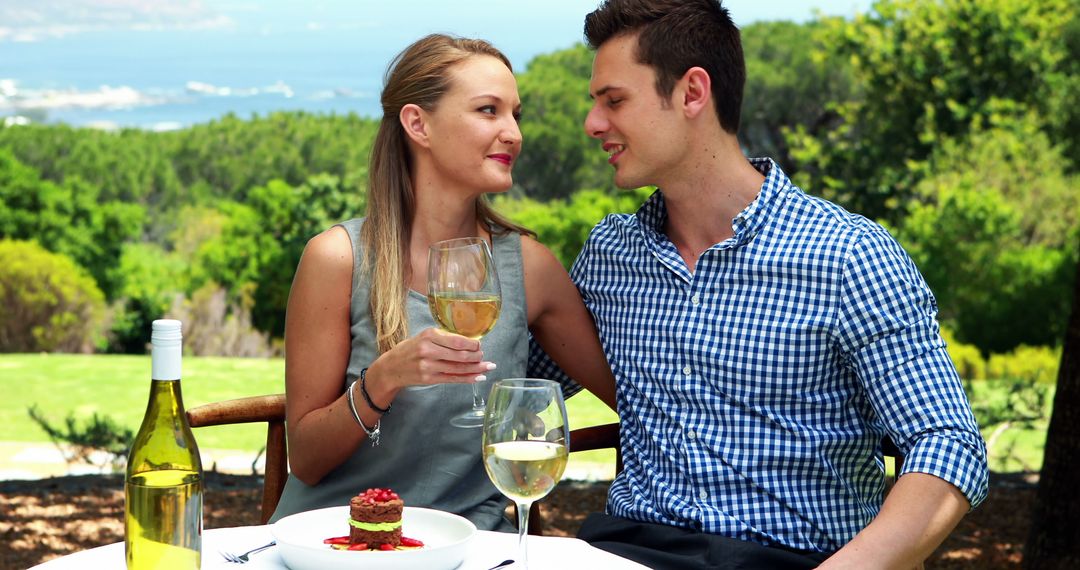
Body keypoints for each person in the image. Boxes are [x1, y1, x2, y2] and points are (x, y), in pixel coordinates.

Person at [528, 1, 989, 567]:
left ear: (693, 92)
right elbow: (510, 393)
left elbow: (949, 446)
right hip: (629, 550)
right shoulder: (611, 256)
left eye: (614, 100)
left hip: (794, 558)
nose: (592, 124)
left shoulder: (848, 256)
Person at [269, 34, 616, 531]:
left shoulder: (530, 268)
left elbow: (630, 396)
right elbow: (305, 459)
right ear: (418, 124)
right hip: (334, 543)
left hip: (473, 550)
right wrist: (384, 379)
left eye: (515, 113)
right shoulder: (337, 259)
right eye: (488, 110)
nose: (513, 133)